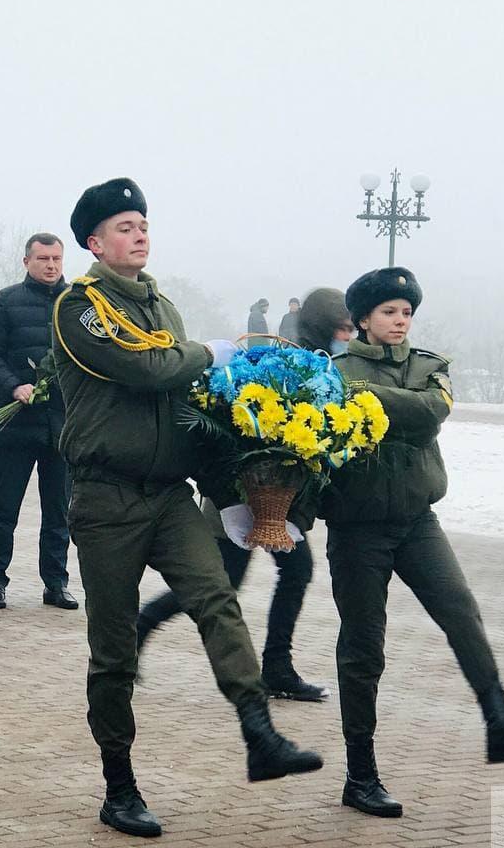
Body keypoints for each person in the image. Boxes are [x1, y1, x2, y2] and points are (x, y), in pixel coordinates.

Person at [53, 178, 321, 838]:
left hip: (170, 494)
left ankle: (259, 734)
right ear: (94, 242)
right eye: (123, 225)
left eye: (142, 222)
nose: (139, 233)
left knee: (216, 599)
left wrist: (235, 489)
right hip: (106, 498)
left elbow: (184, 403)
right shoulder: (77, 307)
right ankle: (120, 786)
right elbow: (152, 370)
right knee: (113, 654)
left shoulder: (163, 308)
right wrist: (212, 352)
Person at [322, 267, 504, 818]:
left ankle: (500, 723)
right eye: (389, 312)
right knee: (363, 649)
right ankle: (361, 776)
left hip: (416, 521)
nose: (400, 321)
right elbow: (400, 411)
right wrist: (390, 403)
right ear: (362, 319)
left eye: (406, 312)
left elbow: (431, 416)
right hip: (358, 530)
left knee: (461, 611)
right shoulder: (332, 371)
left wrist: (368, 400)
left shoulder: (431, 366)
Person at [135, 289, 355, 702]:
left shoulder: (324, 372)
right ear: (324, 328)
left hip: (280, 502)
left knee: (294, 572)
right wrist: (233, 498)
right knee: (225, 583)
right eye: (342, 328)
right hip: (236, 498)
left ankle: (276, 667)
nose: (348, 335)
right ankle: (142, 625)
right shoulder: (273, 363)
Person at [0, 232, 75, 610]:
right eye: (43, 259)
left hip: (61, 427)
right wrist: (14, 386)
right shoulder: (6, 302)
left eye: (56, 259)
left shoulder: (75, 304)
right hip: (15, 426)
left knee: (58, 513)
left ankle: (56, 583)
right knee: (4, 510)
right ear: (27, 262)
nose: (51, 265)